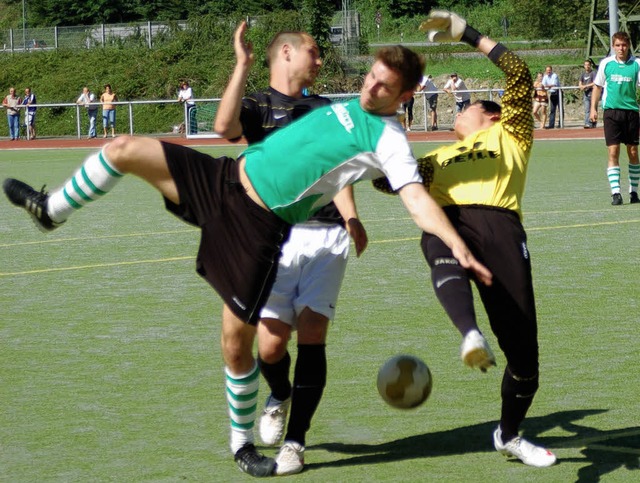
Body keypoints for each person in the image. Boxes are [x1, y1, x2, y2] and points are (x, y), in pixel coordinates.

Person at [3, 39, 492, 477]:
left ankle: (241, 446)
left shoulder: (390, 141)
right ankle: (50, 211)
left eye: (384, 86)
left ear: (404, 95)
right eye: (369, 77)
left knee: (238, 342)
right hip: (222, 181)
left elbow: (414, 198)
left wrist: (455, 242)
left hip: (257, 229)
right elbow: (247, 128)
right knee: (123, 148)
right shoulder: (344, 105)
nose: (370, 89)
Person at [375, 10, 557, 468]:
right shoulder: (435, 159)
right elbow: (386, 182)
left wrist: (464, 33)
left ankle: (510, 434)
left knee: (525, 364)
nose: (464, 106)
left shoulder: (511, 132)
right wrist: (382, 132)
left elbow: (518, 71)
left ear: (492, 116)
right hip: (449, 222)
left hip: (501, 228)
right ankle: (469, 333)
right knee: (439, 240)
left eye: (472, 103)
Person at [214, 23, 367, 476]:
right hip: (273, 234)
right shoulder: (259, 104)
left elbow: (334, 171)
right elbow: (224, 128)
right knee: (272, 345)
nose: (320, 61)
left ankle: (295, 442)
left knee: (314, 330)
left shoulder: (325, 109)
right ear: (286, 52)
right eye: (314, 52)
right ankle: (279, 394)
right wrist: (241, 64)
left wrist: (353, 217)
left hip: (327, 234)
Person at [590, 31, 640, 206]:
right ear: (613, 46)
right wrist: (593, 109)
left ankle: (633, 192)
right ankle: (616, 193)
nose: (621, 48)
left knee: (633, 152)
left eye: (624, 45)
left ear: (628, 46)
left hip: (632, 113)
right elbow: (597, 87)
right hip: (612, 113)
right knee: (613, 151)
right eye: (618, 45)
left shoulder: (637, 64)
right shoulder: (606, 64)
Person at [579, 60, 597, 129]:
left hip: (593, 94)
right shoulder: (583, 74)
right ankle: (587, 123)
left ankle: (593, 123)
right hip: (586, 94)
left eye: (588, 65)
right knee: (587, 110)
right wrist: (581, 86)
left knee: (593, 109)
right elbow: (580, 82)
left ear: (590, 65)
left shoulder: (593, 73)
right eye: (586, 65)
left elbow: (595, 82)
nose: (587, 66)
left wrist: (586, 86)